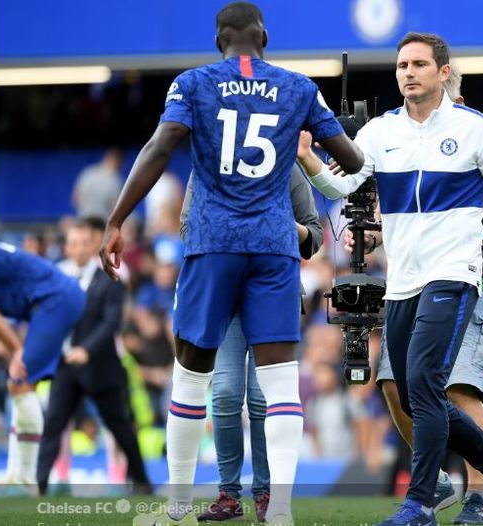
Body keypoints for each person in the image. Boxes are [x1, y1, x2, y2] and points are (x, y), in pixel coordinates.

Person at [99, 3, 363, 525]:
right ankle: (280, 511)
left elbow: (160, 146)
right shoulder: (299, 87)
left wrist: (117, 220)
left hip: (214, 242)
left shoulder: (193, 83)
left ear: (219, 39)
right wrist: (314, 151)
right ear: (264, 36)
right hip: (273, 246)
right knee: (282, 385)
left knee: (191, 380)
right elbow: (351, 161)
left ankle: (175, 508)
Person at [297, 32, 483, 526]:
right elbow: (342, 185)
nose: (408, 72)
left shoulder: (476, 128)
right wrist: (308, 159)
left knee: (426, 384)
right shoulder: (382, 132)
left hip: (455, 274)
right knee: (408, 393)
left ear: (443, 72)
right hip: (403, 281)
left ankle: (421, 503)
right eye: (402, 65)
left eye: (419, 64)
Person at [183, 164, 324, 523]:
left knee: (264, 398)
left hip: (274, 295)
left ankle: (265, 493)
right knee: (226, 394)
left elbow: (316, 237)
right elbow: (186, 227)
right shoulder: (206, 168)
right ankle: (229, 495)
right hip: (225, 297)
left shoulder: (288, 169)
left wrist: (279, 226)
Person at [36, 221, 151, 495]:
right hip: (66, 367)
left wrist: (86, 349)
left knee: (119, 426)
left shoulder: (110, 278)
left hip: (100, 367)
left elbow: (111, 323)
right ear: (66, 246)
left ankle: (142, 482)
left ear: (93, 245)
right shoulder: (57, 278)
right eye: (73, 243)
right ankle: (38, 485)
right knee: (53, 423)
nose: (78, 248)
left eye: (84, 243)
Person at [0, 241, 86, 491]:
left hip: (57, 300)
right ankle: (19, 475)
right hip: (52, 301)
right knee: (17, 384)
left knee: (20, 381)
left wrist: (15, 349)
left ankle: (26, 477)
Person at [72, 148, 124, 221]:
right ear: (120, 162)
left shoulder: (87, 172)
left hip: (83, 222)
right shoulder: (116, 180)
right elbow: (116, 209)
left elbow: (75, 200)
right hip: (102, 225)